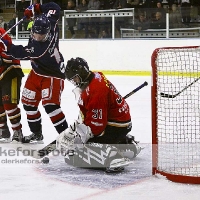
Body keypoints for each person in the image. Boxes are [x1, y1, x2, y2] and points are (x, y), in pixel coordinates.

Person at [56, 57, 141, 172]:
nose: (75, 82)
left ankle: (113, 157)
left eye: (75, 78)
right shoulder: (95, 76)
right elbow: (90, 111)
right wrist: (78, 125)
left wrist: (79, 137)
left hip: (115, 126)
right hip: (120, 122)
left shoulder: (96, 91)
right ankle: (126, 144)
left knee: (73, 155)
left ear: (81, 73)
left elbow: (97, 126)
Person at [0, 2, 68, 143]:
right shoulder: (51, 22)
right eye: (35, 34)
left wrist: (5, 45)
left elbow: (19, 52)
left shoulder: (40, 49)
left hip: (52, 74)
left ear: (47, 33)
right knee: (28, 104)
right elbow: (55, 7)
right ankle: (37, 134)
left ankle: (67, 137)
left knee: (51, 106)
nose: (37, 37)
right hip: (37, 71)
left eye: (41, 36)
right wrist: (36, 9)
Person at [0, 28, 24, 143]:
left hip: (10, 70)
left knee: (8, 102)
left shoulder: (1, 33)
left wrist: (2, 56)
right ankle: (3, 129)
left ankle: (17, 130)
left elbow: (9, 52)